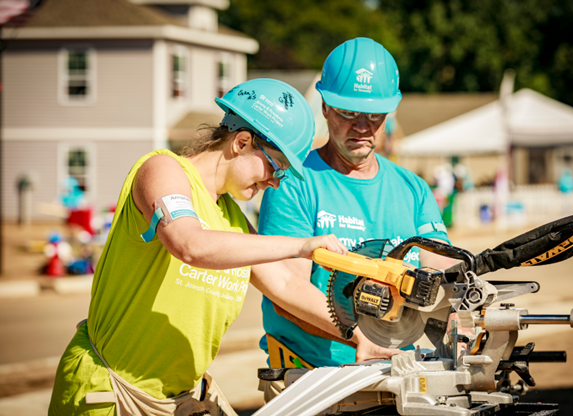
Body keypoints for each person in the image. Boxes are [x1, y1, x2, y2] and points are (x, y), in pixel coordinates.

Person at [48, 78, 398, 416]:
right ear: (242, 142)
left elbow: (286, 285)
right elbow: (189, 244)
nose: (275, 182)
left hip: (178, 396)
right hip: (111, 393)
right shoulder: (162, 171)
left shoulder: (230, 218)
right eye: (277, 166)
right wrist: (300, 245)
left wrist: (357, 334)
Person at [258, 38, 458, 397]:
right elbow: (285, 293)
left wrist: (462, 310)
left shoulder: (413, 189)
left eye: (374, 116)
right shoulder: (294, 182)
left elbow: (444, 275)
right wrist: (358, 338)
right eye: (348, 113)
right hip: (313, 382)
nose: (363, 126)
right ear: (324, 107)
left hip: (400, 377)